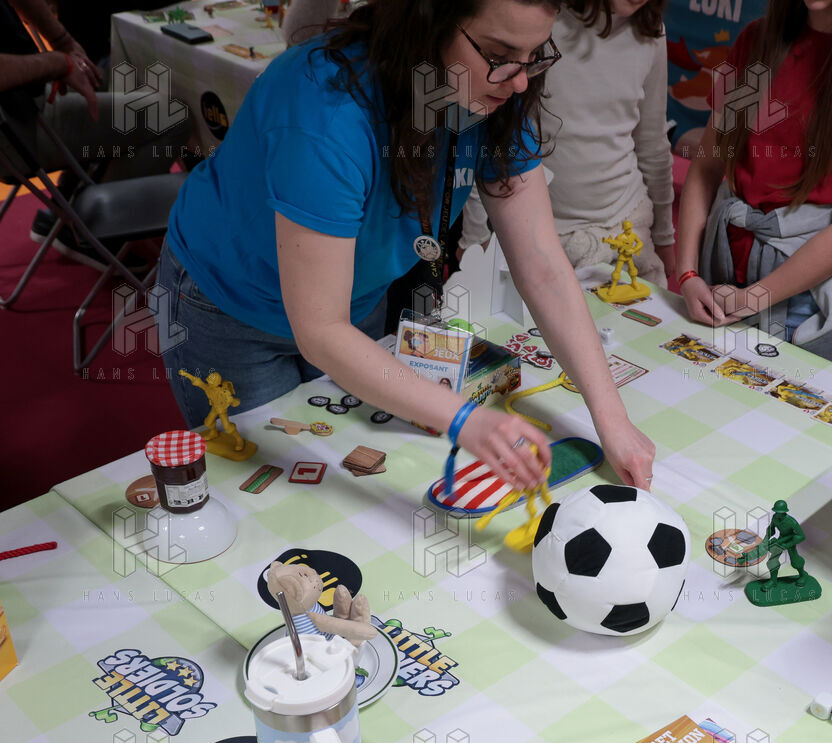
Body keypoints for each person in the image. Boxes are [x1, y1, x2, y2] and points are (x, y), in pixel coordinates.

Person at [157, 0, 655, 491]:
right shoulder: (327, 109)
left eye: (534, 56)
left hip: (354, 299)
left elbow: (543, 266)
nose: (520, 81)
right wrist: (465, 420)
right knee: (277, 487)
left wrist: (612, 419)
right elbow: (321, 329)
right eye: (500, 55)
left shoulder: (495, 90)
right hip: (231, 303)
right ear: (427, 28)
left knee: (355, 464)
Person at [672, 0, 832, 380]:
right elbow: (707, 166)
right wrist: (688, 274)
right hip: (719, 271)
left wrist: (752, 298)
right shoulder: (757, 41)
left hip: (803, 291)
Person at [458, 0, 674, 284]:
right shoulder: (538, 22)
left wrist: (665, 236)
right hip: (538, 233)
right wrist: (475, 234)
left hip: (628, 227)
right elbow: (487, 136)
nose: (520, 80)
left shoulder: (651, 32)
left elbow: (653, 143)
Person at [1, 0, 186, 266]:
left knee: (121, 80)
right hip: (20, 126)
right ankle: (97, 232)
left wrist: (63, 42)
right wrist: (58, 63)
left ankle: (66, 204)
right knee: (173, 117)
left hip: (28, 105)